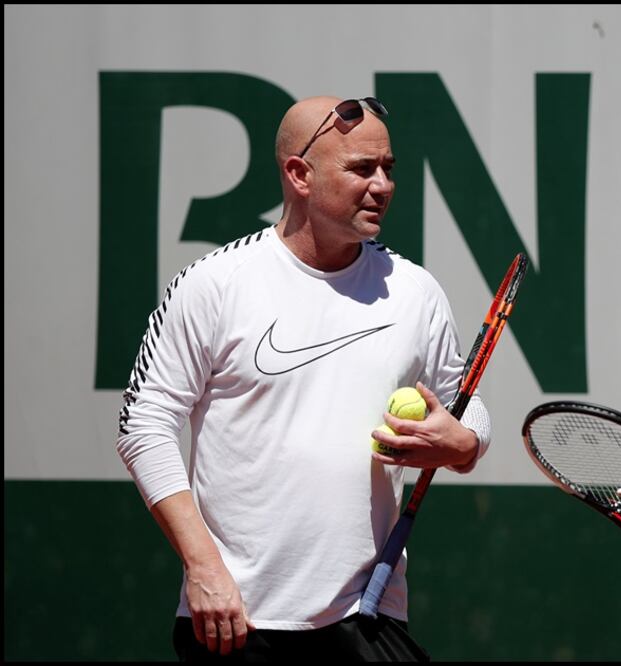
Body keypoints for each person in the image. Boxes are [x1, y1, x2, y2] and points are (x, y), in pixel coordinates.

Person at [116, 96, 491, 661]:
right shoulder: (214, 283)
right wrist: (203, 565)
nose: (383, 186)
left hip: (366, 616)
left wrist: (464, 443)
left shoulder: (415, 291)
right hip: (236, 619)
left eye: (388, 168)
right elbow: (143, 425)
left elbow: (466, 402)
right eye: (362, 169)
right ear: (299, 174)